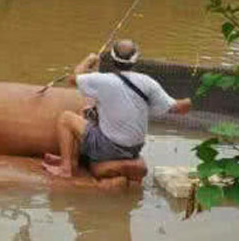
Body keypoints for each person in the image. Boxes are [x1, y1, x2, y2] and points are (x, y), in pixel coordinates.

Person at [42, 39, 192, 178]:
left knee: (66, 118)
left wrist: (88, 60)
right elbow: (177, 107)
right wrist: (190, 100)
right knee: (86, 111)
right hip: (134, 149)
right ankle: (72, 160)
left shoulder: (103, 80)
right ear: (135, 59)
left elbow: (72, 79)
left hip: (109, 148)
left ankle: (65, 168)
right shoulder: (148, 82)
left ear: (113, 59)